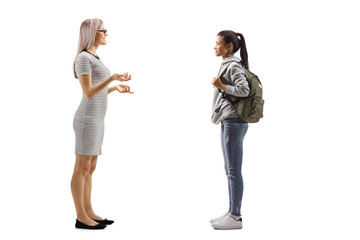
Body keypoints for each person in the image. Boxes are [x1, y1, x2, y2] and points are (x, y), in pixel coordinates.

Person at [70, 18, 133, 230]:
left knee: (91, 167)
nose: (106, 33)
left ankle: (89, 211)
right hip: (87, 119)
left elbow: (96, 90)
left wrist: (115, 88)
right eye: (103, 30)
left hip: (97, 119)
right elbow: (88, 92)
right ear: (92, 33)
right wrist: (112, 79)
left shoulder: (95, 57)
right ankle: (81, 217)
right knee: (81, 168)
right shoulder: (83, 58)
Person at [210, 30, 250, 230]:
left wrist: (222, 86)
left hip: (234, 122)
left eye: (218, 43)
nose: (214, 47)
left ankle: (235, 216)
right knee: (230, 170)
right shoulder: (228, 64)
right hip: (229, 121)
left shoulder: (233, 65)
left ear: (229, 47)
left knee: (233, 171)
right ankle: (231, 212)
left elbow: (244, 91)